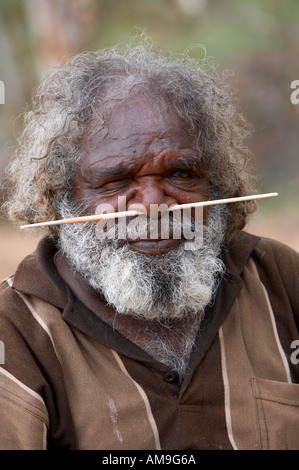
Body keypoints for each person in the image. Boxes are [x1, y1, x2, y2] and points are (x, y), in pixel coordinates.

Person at [0, 39, 298, 451]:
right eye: (117, 181)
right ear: (59, 198)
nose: (154, 206)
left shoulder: (279, 278)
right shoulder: (14, 332)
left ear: (218, 183)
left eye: (180, 173)